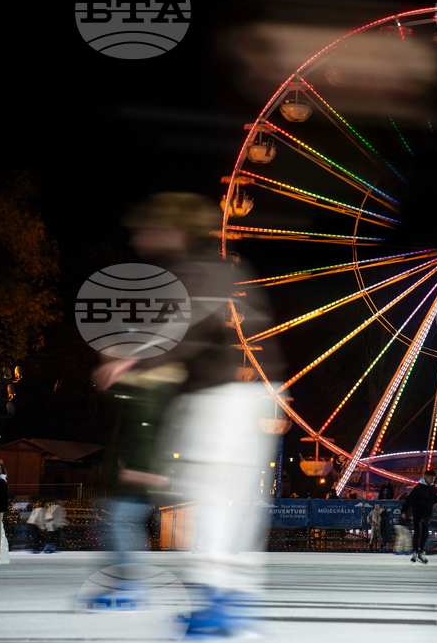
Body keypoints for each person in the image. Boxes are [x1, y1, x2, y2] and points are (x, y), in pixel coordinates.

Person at [91, 193, 286, 638]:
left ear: (172, 230)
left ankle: (219, 602)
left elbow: (186, 327)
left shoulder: (192, 270)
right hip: (256, 394)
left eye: (147, 229)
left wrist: (133, 360)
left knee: (213, 493)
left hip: (219, 399)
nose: (140, 239)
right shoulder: (226, 269)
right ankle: (234, 599)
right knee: (236, 500)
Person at [401, 469, 437, 564]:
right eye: (431, 478)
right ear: (426, 477)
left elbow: (433, 501)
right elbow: (409, 500)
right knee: (418, 533)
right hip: (417, 513)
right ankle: (415, 552)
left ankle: (421, 552)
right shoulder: (418, 488)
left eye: (434, 478)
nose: (433, 480)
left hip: (427, 514)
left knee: (425, 533)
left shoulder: (433, 488)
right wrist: (404, 511)